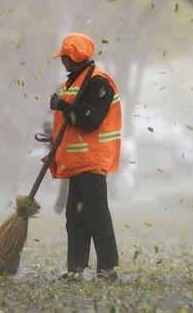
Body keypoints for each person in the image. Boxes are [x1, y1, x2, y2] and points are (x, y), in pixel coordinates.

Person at [48, 32, 122, 281]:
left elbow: (90, 120)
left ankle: (108, 270)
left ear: (72, 57)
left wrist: (62, 106)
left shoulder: (99, 82)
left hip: (93, 160)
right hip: (78, 163)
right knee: (76, 217)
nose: (62, 62)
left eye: (64, 57)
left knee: (96, 214)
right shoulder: (74, 81)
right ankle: (75, 270)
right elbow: (69, 124)